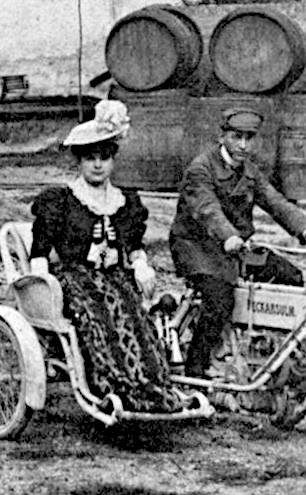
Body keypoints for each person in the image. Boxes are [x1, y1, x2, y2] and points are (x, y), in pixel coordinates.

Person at [29, 99, 182, 413]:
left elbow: (133, 245)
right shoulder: (61, 201)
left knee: (136, 320)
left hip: (113, 276)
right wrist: (42, 284)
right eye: (90, 159)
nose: (97, 165)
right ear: (80, 162)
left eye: (104, 158)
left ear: (113, 161)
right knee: (101, 319)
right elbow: (40, 251)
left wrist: (140, 264)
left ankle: (153, 388)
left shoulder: (124, 202)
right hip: (74, 277)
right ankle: (116, 389)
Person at [169, 107, 306, 379]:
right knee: (220, 299)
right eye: (236, 137)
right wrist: (229, 235)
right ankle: (195, 371)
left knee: (290, 277)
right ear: (222, 137)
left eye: (249, 138)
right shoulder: (200, 169)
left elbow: (275, 202)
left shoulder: (250, 172)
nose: (243, 145)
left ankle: (267, 355)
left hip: (235, 249)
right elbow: (208, 209)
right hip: (198, 248)